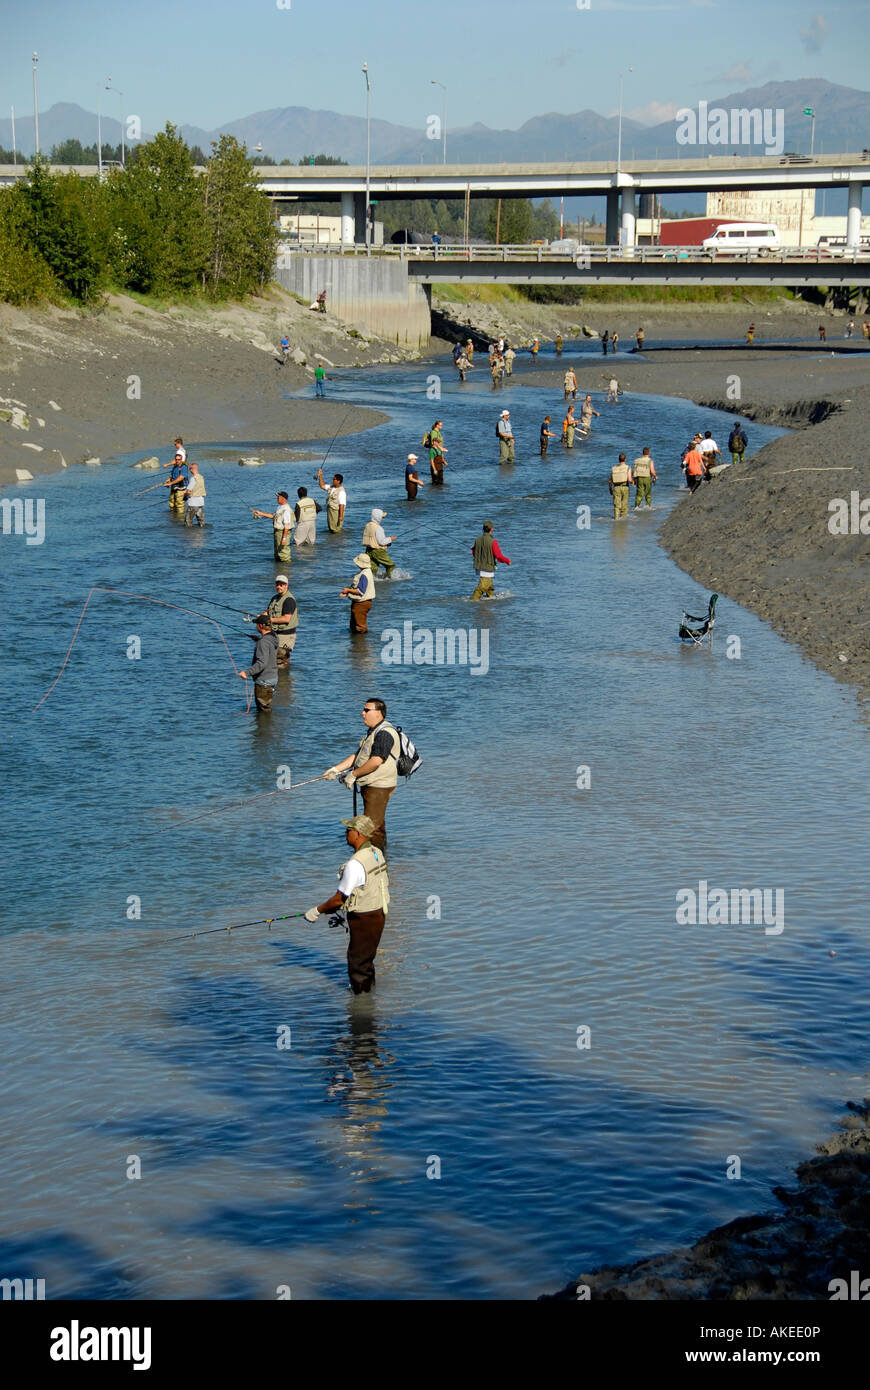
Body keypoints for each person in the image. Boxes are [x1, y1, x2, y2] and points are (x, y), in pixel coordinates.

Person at [303, 814, 390, 994]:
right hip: (379, 913)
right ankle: (370, 996)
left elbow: (338, 899)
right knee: (367, 960)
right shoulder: (376, 852)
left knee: (357, 964)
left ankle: (360, 1005)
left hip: (364, 919)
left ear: (358, 834)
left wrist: (316, 911)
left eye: (348, 830)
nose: (345, 833)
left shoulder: (355, 864)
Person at [323, 698, 402, 853]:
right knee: (376, 823)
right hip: (371, 785)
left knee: (372, 827)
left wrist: (353, 774)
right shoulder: (373, 732)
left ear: (379, 713)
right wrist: (335, 770)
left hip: (379, 785)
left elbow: (376, 761)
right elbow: (358, 756)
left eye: (367, 710)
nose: (362, 713)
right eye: (363, 710)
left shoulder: (384, 733)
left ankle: (374, 858)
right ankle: (381, 856)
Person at [239, 614, 279, 712]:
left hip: (264, 681)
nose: (256, 626)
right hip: (272, 678)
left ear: (260, 626)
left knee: (263, 712)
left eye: (257, 624)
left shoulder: (263, 642)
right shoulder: (274, 636)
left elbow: (262, 663)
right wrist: (259, 640)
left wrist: (246, 673)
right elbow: (268, 645)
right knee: (266, 709)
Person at [264, 575, 298, 667]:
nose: (279, 586)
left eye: (281, 584)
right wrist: (261, 617)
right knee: (272, 661)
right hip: (275, 634)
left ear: (286, 585)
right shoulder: (274, 598)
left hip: (286, 636)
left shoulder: (289, 600)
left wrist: (269, 619)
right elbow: (268, 611)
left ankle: (284, 676)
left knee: (280, 662)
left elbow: (286, 618)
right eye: (277, 584)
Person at [471, 519, 511, 599]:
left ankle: (491, 599)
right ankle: (473, 601)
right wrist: (507, 561)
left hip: (479, 567)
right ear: (491, 529)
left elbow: (474, 553)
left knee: (489, 588)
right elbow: (498, 556)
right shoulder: (493, 541)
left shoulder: (477, 539)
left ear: (483, 529)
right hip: (487, 568)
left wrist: (472, 549)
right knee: (480, 589)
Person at [253, 489, 294, 562]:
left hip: (283, 533)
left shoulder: (286, 510)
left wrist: (284, 538)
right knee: (277, 553)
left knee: (284, 553)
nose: (277, 498)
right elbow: (273, 516)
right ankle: (278, 568)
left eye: (278, 497)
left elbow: (287, 525)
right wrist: (260, 513)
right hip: (277, 533)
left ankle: (287, 567)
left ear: (283, 499)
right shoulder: (280, 507)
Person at [341, 554, 376, 633]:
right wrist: (348, 593)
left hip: (361, 603)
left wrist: (348, 590)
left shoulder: (364, 575)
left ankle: (361, 640)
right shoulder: (368, 571)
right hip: (362, 602)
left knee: (360, 627)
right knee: (354, 625)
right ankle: (355, 639)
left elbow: (360, 591)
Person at [363, 508, 396, 576]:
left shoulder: (368, 525)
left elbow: (373, 539)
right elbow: (381, 542)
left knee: (373, 568)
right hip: (378, 551)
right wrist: (391, 538)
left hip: (368, 550)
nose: (382, 519)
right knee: (390, 565)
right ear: (378, 518)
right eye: (382, 517)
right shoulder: (378, 528)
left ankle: (370, 579)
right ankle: (388, 578)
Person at [609, 453, 633, 520]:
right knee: (624, 505)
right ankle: (623, 520)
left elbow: (610, 481)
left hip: (616, 487)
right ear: (625, 459)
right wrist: (633, 482)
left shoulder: (614, 468)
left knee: (616, 506)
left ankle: (616, 519)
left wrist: (610, 489)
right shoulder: (628, 467)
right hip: (625, 487)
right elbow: (629, 479)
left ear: (618, 459)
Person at [183, 461, 206, 527]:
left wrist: (184, 496)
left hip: (193, 503)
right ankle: (201, 532)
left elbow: (188, 491)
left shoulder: (193, 478)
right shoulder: (201, 477)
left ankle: (189, 533)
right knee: (201, 522)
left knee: (188, 522)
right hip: (201, 502)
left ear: (191, 469)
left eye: (190, 469)